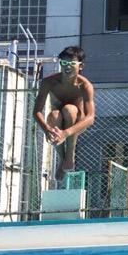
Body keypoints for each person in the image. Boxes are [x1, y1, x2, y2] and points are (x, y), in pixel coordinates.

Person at [33, 46, 96, 184]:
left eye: (72, 63)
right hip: (57, 123)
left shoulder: (85, 85)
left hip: (77, 123)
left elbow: (90, 118)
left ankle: (70, 154)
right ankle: (62, 159)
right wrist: (47, 129)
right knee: (54, 115)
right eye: (64, 63)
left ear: (81, 66)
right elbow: (36, 111)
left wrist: (65, 133)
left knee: (69, 109)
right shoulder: (49, 82)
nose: (67, 67)